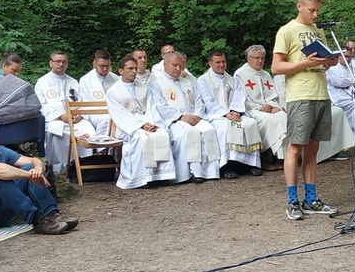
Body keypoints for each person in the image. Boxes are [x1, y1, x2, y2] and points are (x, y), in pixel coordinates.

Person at [272, 0, 340, 220]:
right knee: (295, 148)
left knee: (313, 148)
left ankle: (311, 199)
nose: (315, 15)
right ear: (299, 5)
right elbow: (276, 67)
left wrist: (329, 62)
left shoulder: (318, 31)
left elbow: (319, 63)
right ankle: (292, 200)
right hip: (300, 96)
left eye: (318, 11)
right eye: (312, 10)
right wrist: (304, 64)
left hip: (321, 93)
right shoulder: (287, 31)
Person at [0, 116, 77, 234]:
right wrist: (29, 175)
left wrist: (37, 169)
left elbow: (32, 161)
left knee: (29, 167)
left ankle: (52, 215)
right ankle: (37, 221)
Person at [106, 55, 177, 189]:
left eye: (136, 68)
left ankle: (161, 176)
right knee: (141, 138)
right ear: (121, 71)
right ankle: (141, 178)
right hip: (128, 126)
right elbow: (119, 114)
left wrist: (152, 123)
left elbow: (152, 107)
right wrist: (140, 125)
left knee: (162, 134)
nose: (134, 71)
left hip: (149, 122)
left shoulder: (144, 87)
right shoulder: (113, 91)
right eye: (130, 68)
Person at [151, 51, 220, 183]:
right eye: (174, 65)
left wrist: (197, 115)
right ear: (165, 65)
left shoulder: (187, 82)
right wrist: (181, 117)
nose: (178, 69)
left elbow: (199, 100)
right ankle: (187, 173)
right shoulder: (157, 84)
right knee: (187, 133)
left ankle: (209, 172)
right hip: (174, 121)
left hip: (194, 117)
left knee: (209, 130)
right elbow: (160, 106)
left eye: (180, 66)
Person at [196, 50, 263, 177]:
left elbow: (239, 95)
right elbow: (208, 101)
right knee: (226, 128)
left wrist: (235, 111)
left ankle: (251, 165)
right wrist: (226, 114)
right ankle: (227, 167)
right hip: (216, 115)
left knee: (250, 124)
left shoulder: (231, 79)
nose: (221, 65)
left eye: (223, 61)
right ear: (210, 63)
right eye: (218, 62)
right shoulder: (203, 80)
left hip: (234, 113)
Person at [34, 51, 96, 174]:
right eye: (58, 61)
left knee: (88, 129)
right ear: (51, 63)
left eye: (64, 62)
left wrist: (79, 114)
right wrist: (61, 116)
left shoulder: (73, 82)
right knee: (58, 132)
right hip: (54, 119)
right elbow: (40, 106)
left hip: (74, 119)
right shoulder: (42, 82)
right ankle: (59, 168)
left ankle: (83, 167)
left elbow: (80, 101)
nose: (61, 64)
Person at [234, 45, 287, 171]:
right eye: (257, 58)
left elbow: (273, 95)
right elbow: (240, 98)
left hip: (268, 107)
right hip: (251, 109)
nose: (260, 61)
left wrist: (271, 105)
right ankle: (267, 159)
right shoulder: (240, 74)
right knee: (270, 121)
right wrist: (260, 107)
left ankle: (282, 158)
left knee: (284, 116)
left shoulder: (266, 74)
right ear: (248, 58)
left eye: (262, 58)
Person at [79, 50, 119, 136]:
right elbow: (85, 103)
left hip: (114, 111)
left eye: (107, 66)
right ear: (94, 64)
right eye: (102, 66)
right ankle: (102, 147)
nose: (105, 69)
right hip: (94, 113)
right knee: (106, 120)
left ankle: (116, 147)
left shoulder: (116, 79)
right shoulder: (85, 80)